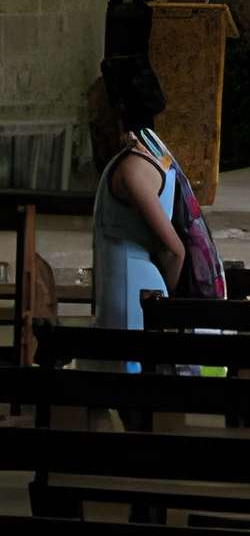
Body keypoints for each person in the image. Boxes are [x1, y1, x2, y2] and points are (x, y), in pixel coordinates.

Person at [91, 54, 186, 367]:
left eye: (95, 101)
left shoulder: (134, 168)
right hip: (126, 285)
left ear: (116, 109)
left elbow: (174, 251)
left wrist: (163, 307)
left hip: (132, 292)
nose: (90, 111)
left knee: (123, 375)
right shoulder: (154, 152)